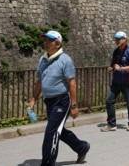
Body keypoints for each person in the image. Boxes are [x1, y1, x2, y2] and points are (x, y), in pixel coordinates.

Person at [29, 30, 90, 166]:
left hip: (62, 101)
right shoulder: (42, 59)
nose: (45, 43)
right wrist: (33, 98)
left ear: (57, 44)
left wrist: (74, 105)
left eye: (49, 40)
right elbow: (39, 81)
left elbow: (72, 83)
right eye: (45, 40)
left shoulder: (65, 60)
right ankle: (82, 147)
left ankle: (48, 162)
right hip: (49, 101)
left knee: (51, 132)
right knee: (58, 131)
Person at [101, 31, 129, 132]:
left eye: (119, 39)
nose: (117, 41)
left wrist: (121, 69)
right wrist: (111, 68)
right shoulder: (116, 51)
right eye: (116, 39)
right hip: (116, 81)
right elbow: (114, 65)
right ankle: (111, 124)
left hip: (127, 82)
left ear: (125, 40)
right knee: (109, 100)